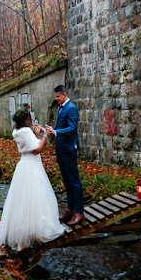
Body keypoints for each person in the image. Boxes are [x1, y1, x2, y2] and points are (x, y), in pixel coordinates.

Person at [0, 103, 66, 251]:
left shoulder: (17, 131)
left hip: (23, 165)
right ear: (26, 117)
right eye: (30, 114)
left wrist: (36, 132)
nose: (32, 115)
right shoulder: (26, 131)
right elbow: (37, 149)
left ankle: (22, 231)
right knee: (36, 198)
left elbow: (29, 144)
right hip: (32, 166)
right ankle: (36, 231)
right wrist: (45, 135)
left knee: (22, 201)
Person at [49, 85, 84, 226]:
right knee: (66, 181)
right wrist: (48, 129)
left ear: (64, 95)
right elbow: (59, 126)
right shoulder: (60, 108)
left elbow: (72, 128)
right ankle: (70, 209)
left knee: (74, 181)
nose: (56, 99)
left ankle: (79, 212)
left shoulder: (71, 108)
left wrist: (56, 132)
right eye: (56, 96)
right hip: (61, 150)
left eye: (58, 96)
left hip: (69, 149)